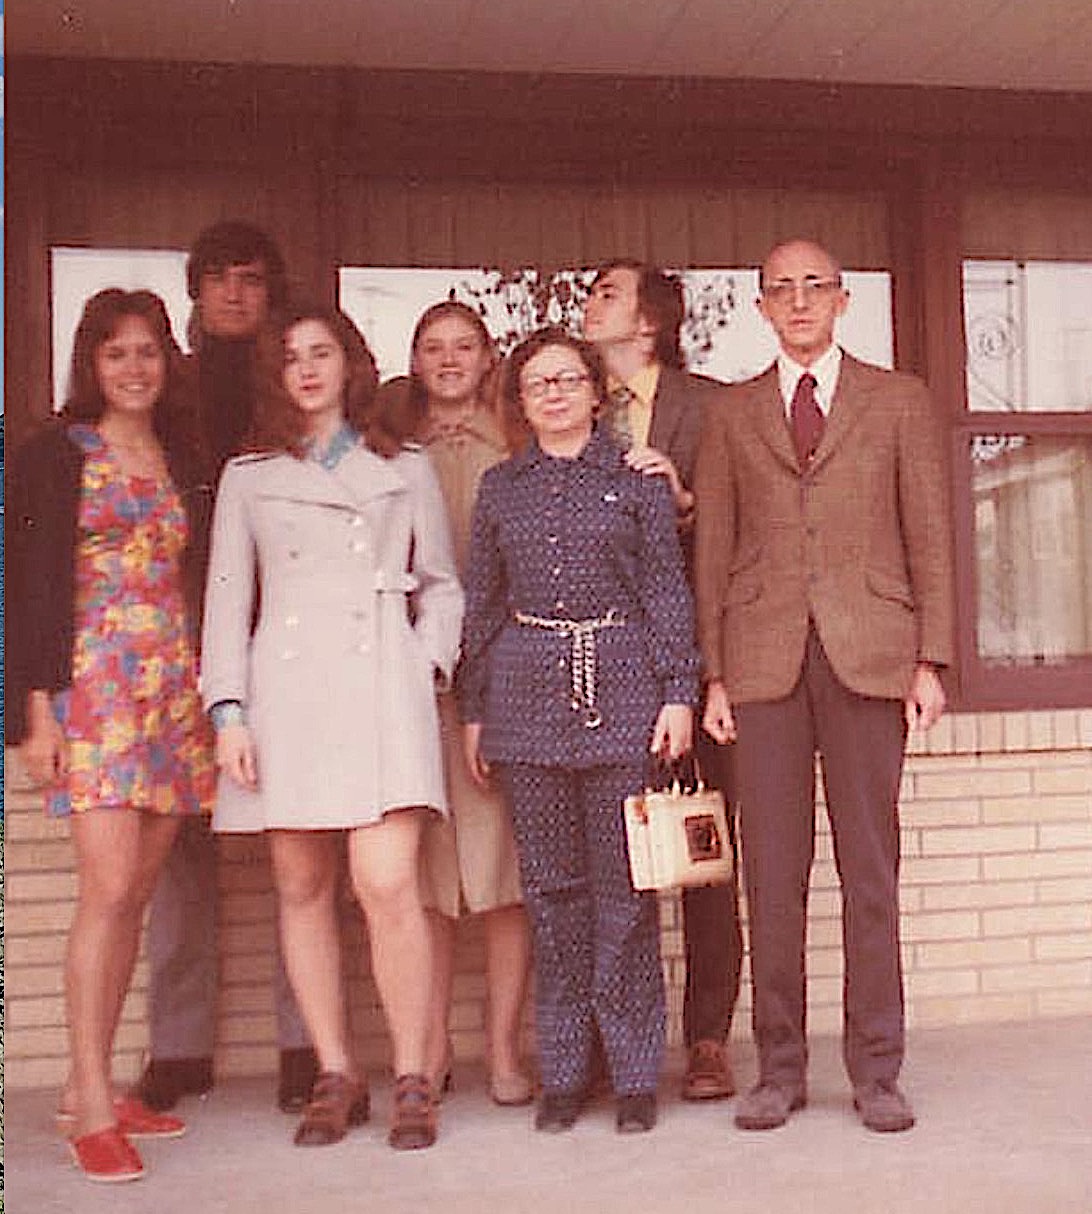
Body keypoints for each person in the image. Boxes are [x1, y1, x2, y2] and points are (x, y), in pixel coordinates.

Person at [695, 239, 955, 1133]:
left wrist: (932, 658)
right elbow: (714, 549)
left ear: (843, 301)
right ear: (761, 307)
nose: (799, 301)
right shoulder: (732, 414)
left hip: (869, 658)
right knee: (771, 876)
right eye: (781, 289)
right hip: (762, 663)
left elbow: (930, 531)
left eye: (815, 287)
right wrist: (714, 674)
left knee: (869, 873)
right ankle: (779, 1069)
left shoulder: (898, 400)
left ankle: (877, 1070)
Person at [201, 304, 463, 1151]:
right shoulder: (248, 475)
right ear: (272, 376)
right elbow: (227, 602)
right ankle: (337, 1070)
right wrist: (229, 711)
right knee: (302, 886)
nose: (307, 369)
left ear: (350, 364)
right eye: (290, 358)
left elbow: (443, 585)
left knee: (386, 884)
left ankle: (416, 1072)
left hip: (382, 683)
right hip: (288, 692)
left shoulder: (403, 464)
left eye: (322, 353)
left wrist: (425, 665)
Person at [459, 327, 700, 1135]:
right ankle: (564, 1069)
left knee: (624, 896)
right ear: (520, 402)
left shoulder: (635, 485)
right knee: (553, 896)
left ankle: (634, 1075)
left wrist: (678, 692)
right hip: (528, 704)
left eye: (568, 379)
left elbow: (668, 593)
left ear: (597, 393)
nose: (554, 394)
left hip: (627, 696)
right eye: (537, 384)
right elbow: (483, 608)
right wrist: (475, 710)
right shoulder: (500, 489)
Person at [7, 289, 217, 1182]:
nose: (134, 368)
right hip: (91, 691)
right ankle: (90, 1100)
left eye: (148, 352)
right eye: (115, 353)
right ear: (89, 364)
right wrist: (34, 710)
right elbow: (23, 585)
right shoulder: (55, 452)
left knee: (136, 893)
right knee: (105, 890)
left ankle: (91, 1084)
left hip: (170, 692)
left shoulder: (177, 452)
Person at [138, 220, 319, 1116]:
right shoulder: (158, 390)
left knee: (299, 843)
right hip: (171, 640)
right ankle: (178, 1046)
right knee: (176, 851)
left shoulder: (290, 391)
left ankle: (303, 1040)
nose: (235, 295)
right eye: (218, 280)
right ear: (196, 292)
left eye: (252, 280)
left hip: (275, 637)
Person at [582, 259, 743, 1101]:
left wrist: (686, 504)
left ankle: (709, 1038)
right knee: (614, 856)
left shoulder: (709, 406)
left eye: (607, 293)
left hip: (698, 660)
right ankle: (620, 1038)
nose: (589, 304)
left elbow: (747, 528)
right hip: (604, 670)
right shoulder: (574, 404)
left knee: (703, 850)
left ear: (647, 322)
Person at [376, 301, 533, 1106]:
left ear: (487, 357)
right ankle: (428, 1046)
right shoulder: (389, 454)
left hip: (508, 680)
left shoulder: (518, 442)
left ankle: (504, 1049)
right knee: (430, 880)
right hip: (420, 685)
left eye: (463, 346)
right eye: (431, 346)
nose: (447, 360)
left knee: (503, 879)